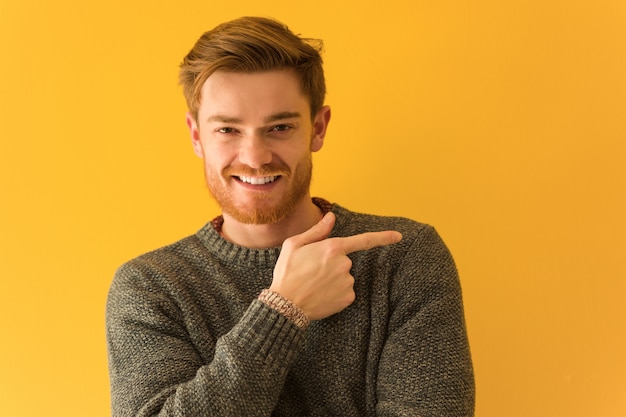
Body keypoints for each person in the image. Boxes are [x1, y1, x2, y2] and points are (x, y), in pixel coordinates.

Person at [106, 16, 475, 417]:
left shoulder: (403, 258)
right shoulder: (150, 288)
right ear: (197, 136)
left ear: (318, 127)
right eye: (228, 130)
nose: (255, 157)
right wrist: (282, 311)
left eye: (279, 127)